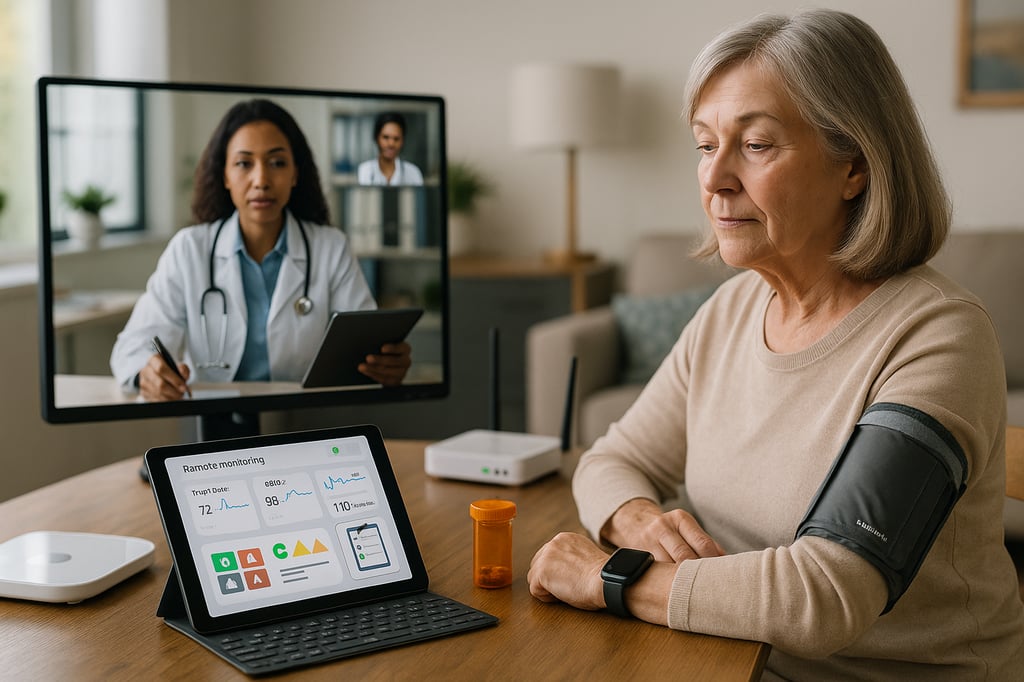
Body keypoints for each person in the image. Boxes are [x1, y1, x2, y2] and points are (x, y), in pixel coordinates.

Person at [527, 9, 1024, 680]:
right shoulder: (732, 309)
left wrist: (613, 579)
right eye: (706, 145)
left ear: (854, 165)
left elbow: (828, 594)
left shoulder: (938, 337)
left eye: (756, 145)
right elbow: (611, 458)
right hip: (726, 659)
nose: (715, 178)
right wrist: (638, 520)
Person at [110, 99, 411, 401]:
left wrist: (385, 363)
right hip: (213, 425)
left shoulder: (330, 248)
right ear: (225, 175)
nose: (261, 180)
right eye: (244, 163)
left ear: (295, 174)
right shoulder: (189, 250)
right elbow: (136, 345)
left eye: (277, 163)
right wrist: (147, 372)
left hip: (303, 423)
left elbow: (365, 345)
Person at [357, 112, 424, 186]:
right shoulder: (364, 171)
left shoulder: (413, 173)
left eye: (396, 139)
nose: (391, 144)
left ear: (402, 141)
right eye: (385, 137)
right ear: (376, 138)